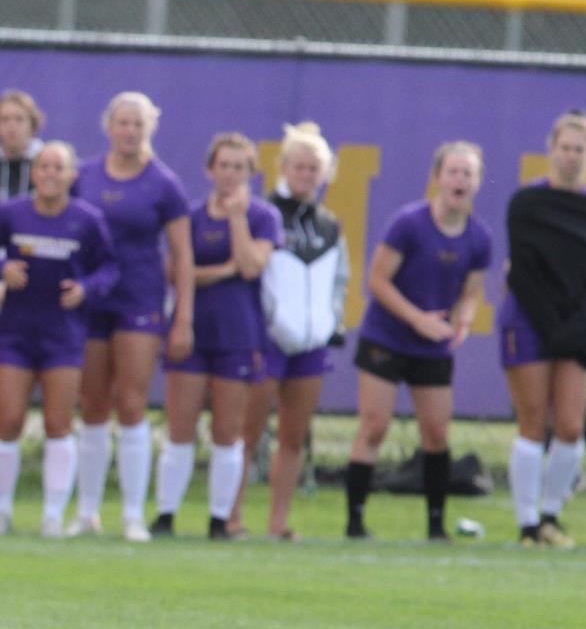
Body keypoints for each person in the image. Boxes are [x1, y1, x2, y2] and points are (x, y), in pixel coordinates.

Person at [345, 142, 492, 541]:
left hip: (432, 346)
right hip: (387, 336)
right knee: (374, 426)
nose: (459, 180)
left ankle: (435, 524)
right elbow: (376, 280)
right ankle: (355, 521)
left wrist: (461, 319)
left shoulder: (479, 238)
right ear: (438, 177)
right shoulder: (409, 223)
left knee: (437, 432)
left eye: (468, 174)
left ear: (477, 183)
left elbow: (471, 291)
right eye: (453, 172)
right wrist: (416, 319)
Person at [0, 141, 116, 536]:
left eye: (59, 168)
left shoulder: (86, 219)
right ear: (34, 174)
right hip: (16, 333)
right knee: (9, 419)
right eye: (44, 167)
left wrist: (86, 288)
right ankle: (0, 511)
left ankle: (52, 515)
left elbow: (109, 269)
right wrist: (2, 268)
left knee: (58, 422)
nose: (50, 174)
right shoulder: (11, 213)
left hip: (64, 335)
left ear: (71, 176)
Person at [70, 91, 194, 541]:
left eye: (138, 124)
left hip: (139, 299)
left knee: (132, 403)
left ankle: (132, 515)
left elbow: (182, 254)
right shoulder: (82, 175)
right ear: (109, 127)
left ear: (150, 129)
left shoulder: (164, 184)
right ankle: (86, 513)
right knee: (93, 405)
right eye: (123, 123)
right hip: (90, 301)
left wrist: (183, 317)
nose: (129, 131)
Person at [152, 133, 280, 539]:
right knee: (180, 427)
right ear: (210, 169)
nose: (229, 174)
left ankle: (220, 519)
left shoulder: (262, 216)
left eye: (239, 167)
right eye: (223, 165)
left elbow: (250, 267)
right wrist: (218, 272)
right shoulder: (188, 215)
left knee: (229, 431)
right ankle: (166, 514)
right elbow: (175, 271)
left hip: (239, 332)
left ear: (251, 173)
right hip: (192, 328)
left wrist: (237, 220)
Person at [501, 111, 586, 548]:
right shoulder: (526, 203)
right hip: (531, 322)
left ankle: (551, 517)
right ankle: (527, 524)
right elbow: (524, 273)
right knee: (533, 422)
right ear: (552, 150)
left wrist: (582, 325)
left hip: (576, 328)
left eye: (579, 149)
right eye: (564, 148)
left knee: (570, 425)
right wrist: (552, 327)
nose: (570, 157)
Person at [246, 121, 348, 541]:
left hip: (310, 343)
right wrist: (264, 325)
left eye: (314, 168)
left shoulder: (329, 225)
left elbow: (339, 280)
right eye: (300, 166)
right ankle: (229, 516)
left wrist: (329, 324)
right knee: (247, 432)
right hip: (269, 338)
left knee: (293, 435)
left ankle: (277, 522)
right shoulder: (265, 214)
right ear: (283, 166)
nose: (306, 175)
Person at [0, 89, 44, 210]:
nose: (12, 126)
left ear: (33, 124)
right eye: (5, 119)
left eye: (19, 119)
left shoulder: (52, 171)